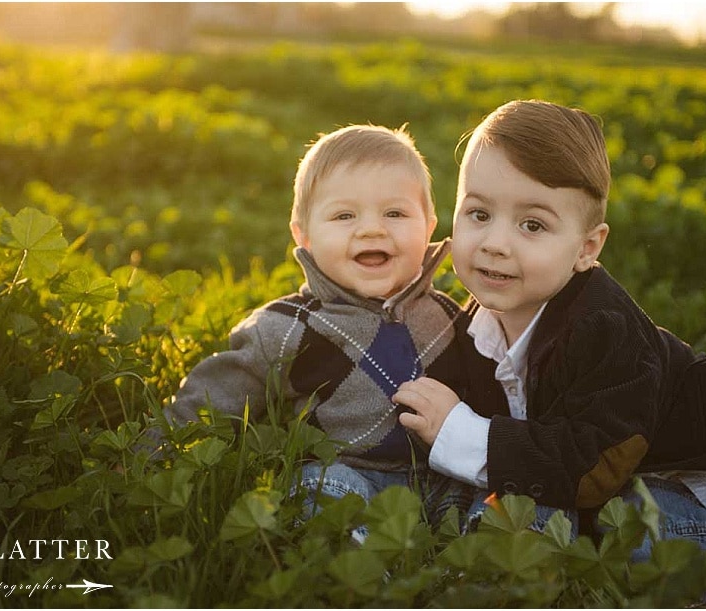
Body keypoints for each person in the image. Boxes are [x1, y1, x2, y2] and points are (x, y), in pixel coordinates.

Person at [392, 100, 706, 604]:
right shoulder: (470, 328)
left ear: (588, 248)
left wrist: (463, 434)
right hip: (667, 483)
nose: (495, 242)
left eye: (533, 225)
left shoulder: (603, 327)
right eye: (479, 214)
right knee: (636, 523)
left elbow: (593, 469)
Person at [158, 124, 504, 541]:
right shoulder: (290, 327)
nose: (372, 230)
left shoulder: (456, 319)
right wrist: (156, 452)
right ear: (302, 233)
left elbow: (499, 399)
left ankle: (471, 571)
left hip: (440, 476)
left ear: (429, 225)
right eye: (344, 216)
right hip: (347, 473)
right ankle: (355, 571)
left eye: (395, 213)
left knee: (497, 497)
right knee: (320, 494)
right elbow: (216, 393)